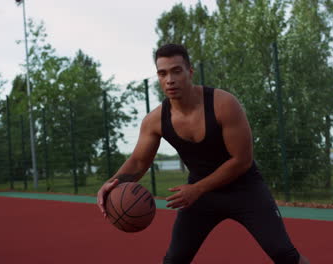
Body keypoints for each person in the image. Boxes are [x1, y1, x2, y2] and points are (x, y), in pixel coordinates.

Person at [97, 44, 310, 264]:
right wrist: (113, 183)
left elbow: (242, 161)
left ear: (189, 72)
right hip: (200, 197)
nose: (169, 79)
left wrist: (197, 189)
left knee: (284, 254)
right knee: (175, 259)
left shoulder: (223, 104)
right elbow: (139, 161)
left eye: (176, 71)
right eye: (162, 73)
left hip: (245, 189)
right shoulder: (155, 120)